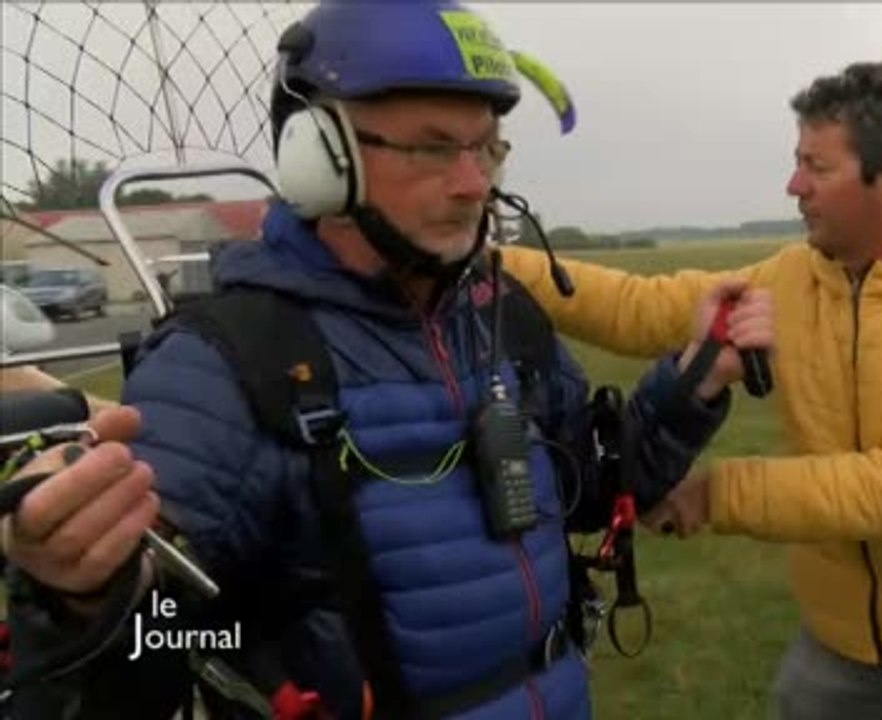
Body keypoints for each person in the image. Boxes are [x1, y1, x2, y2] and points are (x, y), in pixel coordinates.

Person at [0, 2, 773, 718]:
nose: (476, 184)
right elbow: (148, 652)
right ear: (319, 157)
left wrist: (694, 379)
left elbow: (599, 491)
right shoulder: (223, 365)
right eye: (435, 147)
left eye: (486, 148)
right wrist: (78, 598)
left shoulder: (503, 318)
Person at [501, 60, 882, 719]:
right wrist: (488, 258)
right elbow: (644, 306)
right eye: (798, 161)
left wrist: (715, 494)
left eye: (817, 168)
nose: (794, 185)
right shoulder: (793, 278)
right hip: (840, 639)